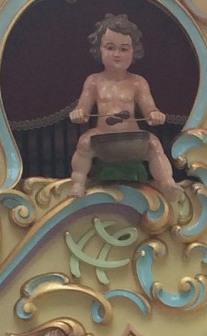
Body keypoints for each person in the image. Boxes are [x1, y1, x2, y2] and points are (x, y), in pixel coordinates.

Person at [69, 13, 177, 199]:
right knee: (84, 143)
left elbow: (150, 109)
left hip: (132, 138)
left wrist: (154, 115)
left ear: (134, 51)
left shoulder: (138, 82)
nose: (117, 54)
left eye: (124, 49)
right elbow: (83, 110)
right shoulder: (93, 81)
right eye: (110, 48)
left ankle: (167, 183)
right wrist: (79, 114)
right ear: (99, 49)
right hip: (102, 137)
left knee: (154, 144)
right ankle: (78, 184)